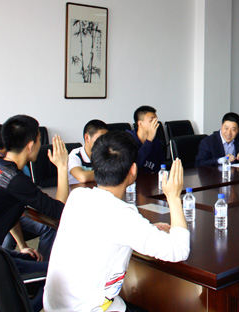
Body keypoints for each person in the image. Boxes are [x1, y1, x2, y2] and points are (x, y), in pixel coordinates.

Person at [44, 132, 189, 312]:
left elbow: (102, 228)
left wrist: (147, 229)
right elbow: (179, 250)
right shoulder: (123, 216)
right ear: (133, 169)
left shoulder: (77, 196)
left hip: (55, 307)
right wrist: (173, 197)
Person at [0, 115, 69, 312]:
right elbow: (60, 210)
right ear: (30, 145)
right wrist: (62, 167)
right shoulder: (16, 180)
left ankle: (23, 292)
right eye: (39, 140)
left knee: (32, 259)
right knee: (61, 272)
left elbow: (5, 209)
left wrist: (22, 245)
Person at [68, 119, 108, 184]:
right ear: (87, 138)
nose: (104, 142)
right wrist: (109, 173)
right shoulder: (75, 155)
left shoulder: (106, 153)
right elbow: (83, 177)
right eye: (100, 139)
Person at [126, 105, 164, 172]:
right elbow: (134, 166)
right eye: (151, 121)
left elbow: (160, 168)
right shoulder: (127, 140)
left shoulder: (157, 142)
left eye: (156, 121)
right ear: (140, 123)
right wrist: (149, 139)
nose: (156, 124)